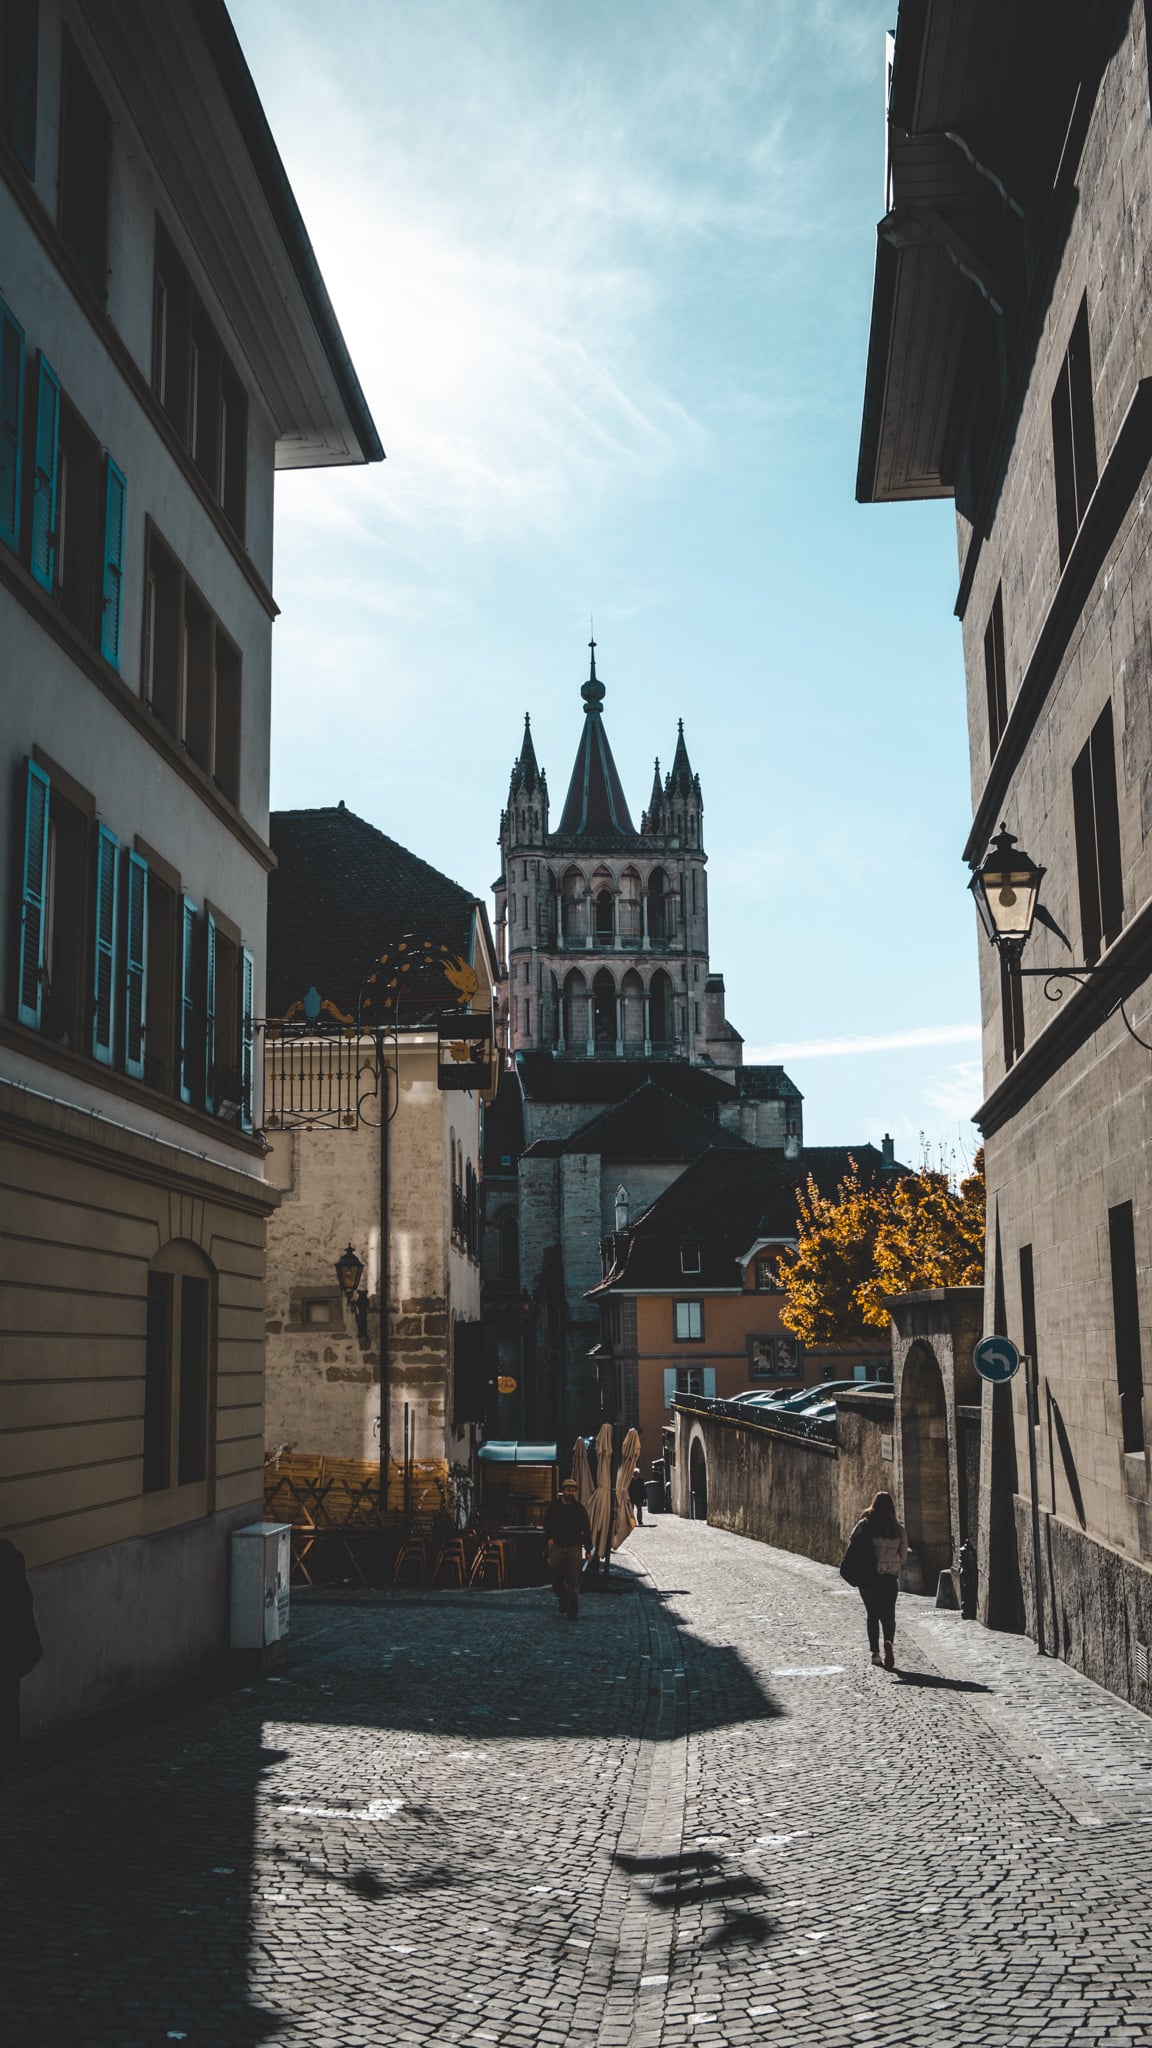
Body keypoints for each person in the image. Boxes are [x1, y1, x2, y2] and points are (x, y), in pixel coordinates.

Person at [840, 1490, 908, 1671]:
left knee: (872, 1614)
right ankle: (888, 1643)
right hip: (889, 1578)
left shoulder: (865, 1524)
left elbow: (852, 1543)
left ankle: (876, 1654)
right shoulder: (898, 1529)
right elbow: (903, 1555)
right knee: (888, 1615)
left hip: (868, 1577)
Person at [0, 1536, 42, 1772]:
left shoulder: (6, 1555)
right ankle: (9, 1756)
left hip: (7, 1644)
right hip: (11, 1645)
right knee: (7, 1702)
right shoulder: (8, 1553)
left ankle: (8, 1756)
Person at [543, 1478, 593, 1621]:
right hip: (557, 1546)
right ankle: (563, 1598)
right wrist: (549, 1537)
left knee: (574, 1581)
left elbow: (586, 1530)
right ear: (563, 1491)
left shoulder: (579, 1509)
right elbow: (546, 1523)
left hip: (574, 1547)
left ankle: (573, 1611)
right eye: (568, 1490)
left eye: (572, 1491)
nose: (570, 1493)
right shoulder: (554, 1507)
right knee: (555, 1580)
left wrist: (588, 1550)